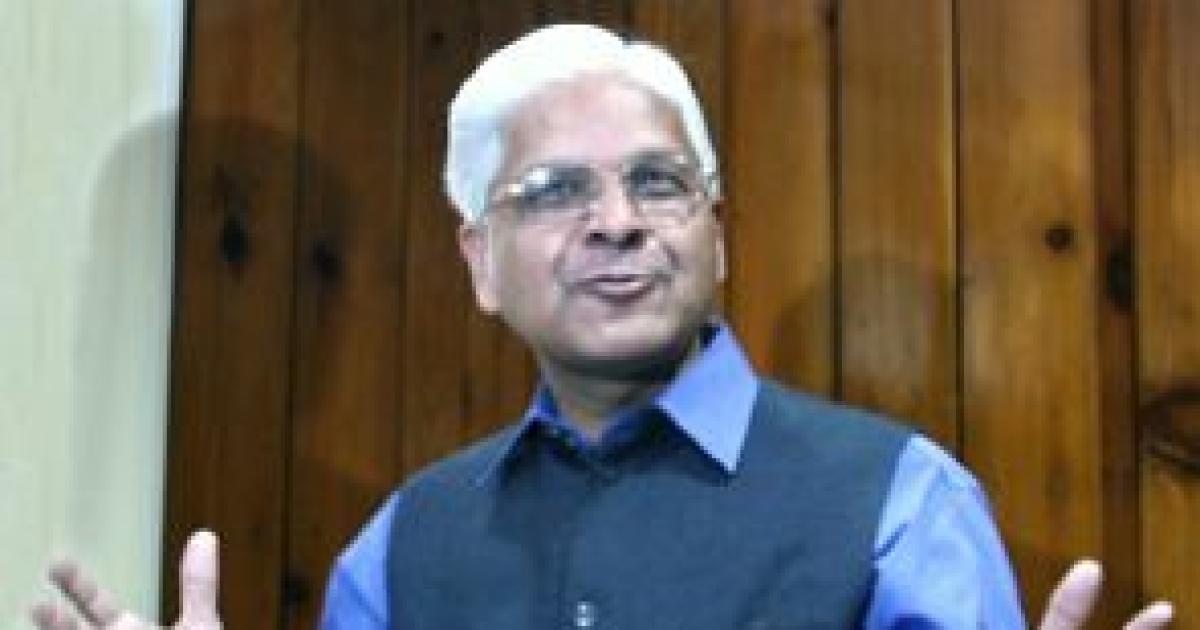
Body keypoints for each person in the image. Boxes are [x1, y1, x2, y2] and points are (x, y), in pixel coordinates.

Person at [32, 24, 1175, 630]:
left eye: (658, 182)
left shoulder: (902, 506)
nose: (618, 221)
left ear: (717, 237)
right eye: (556, 192)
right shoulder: (400, 550)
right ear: (482, 263)